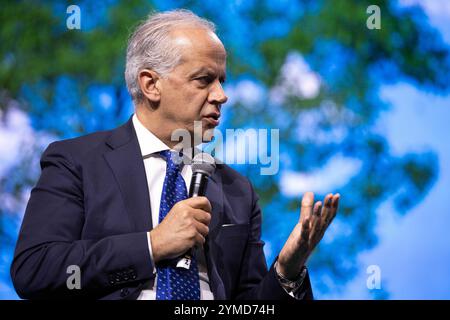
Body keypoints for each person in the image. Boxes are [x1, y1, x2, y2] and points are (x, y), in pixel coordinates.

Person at [10, 9, 340, 300]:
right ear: (151, 84)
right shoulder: (78, 161)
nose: (222, 96)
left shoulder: (238, 190)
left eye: (222, 81)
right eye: (204, 80)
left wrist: (287, 271)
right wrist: (152, 245)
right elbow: (35, 269)